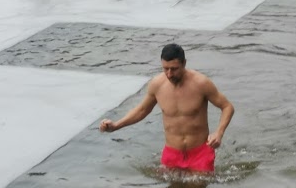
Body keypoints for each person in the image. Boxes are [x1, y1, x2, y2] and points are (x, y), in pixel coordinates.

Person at [99, 43, 234, 172]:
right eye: (165, 68)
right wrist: (116, 125)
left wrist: (219, 133)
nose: (169, 74)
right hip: (172, 154)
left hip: (199, 152)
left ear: (184, 63)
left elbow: (227, 107)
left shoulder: (201, 83)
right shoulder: (157, 84)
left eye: (174, 69)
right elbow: (142, 110)